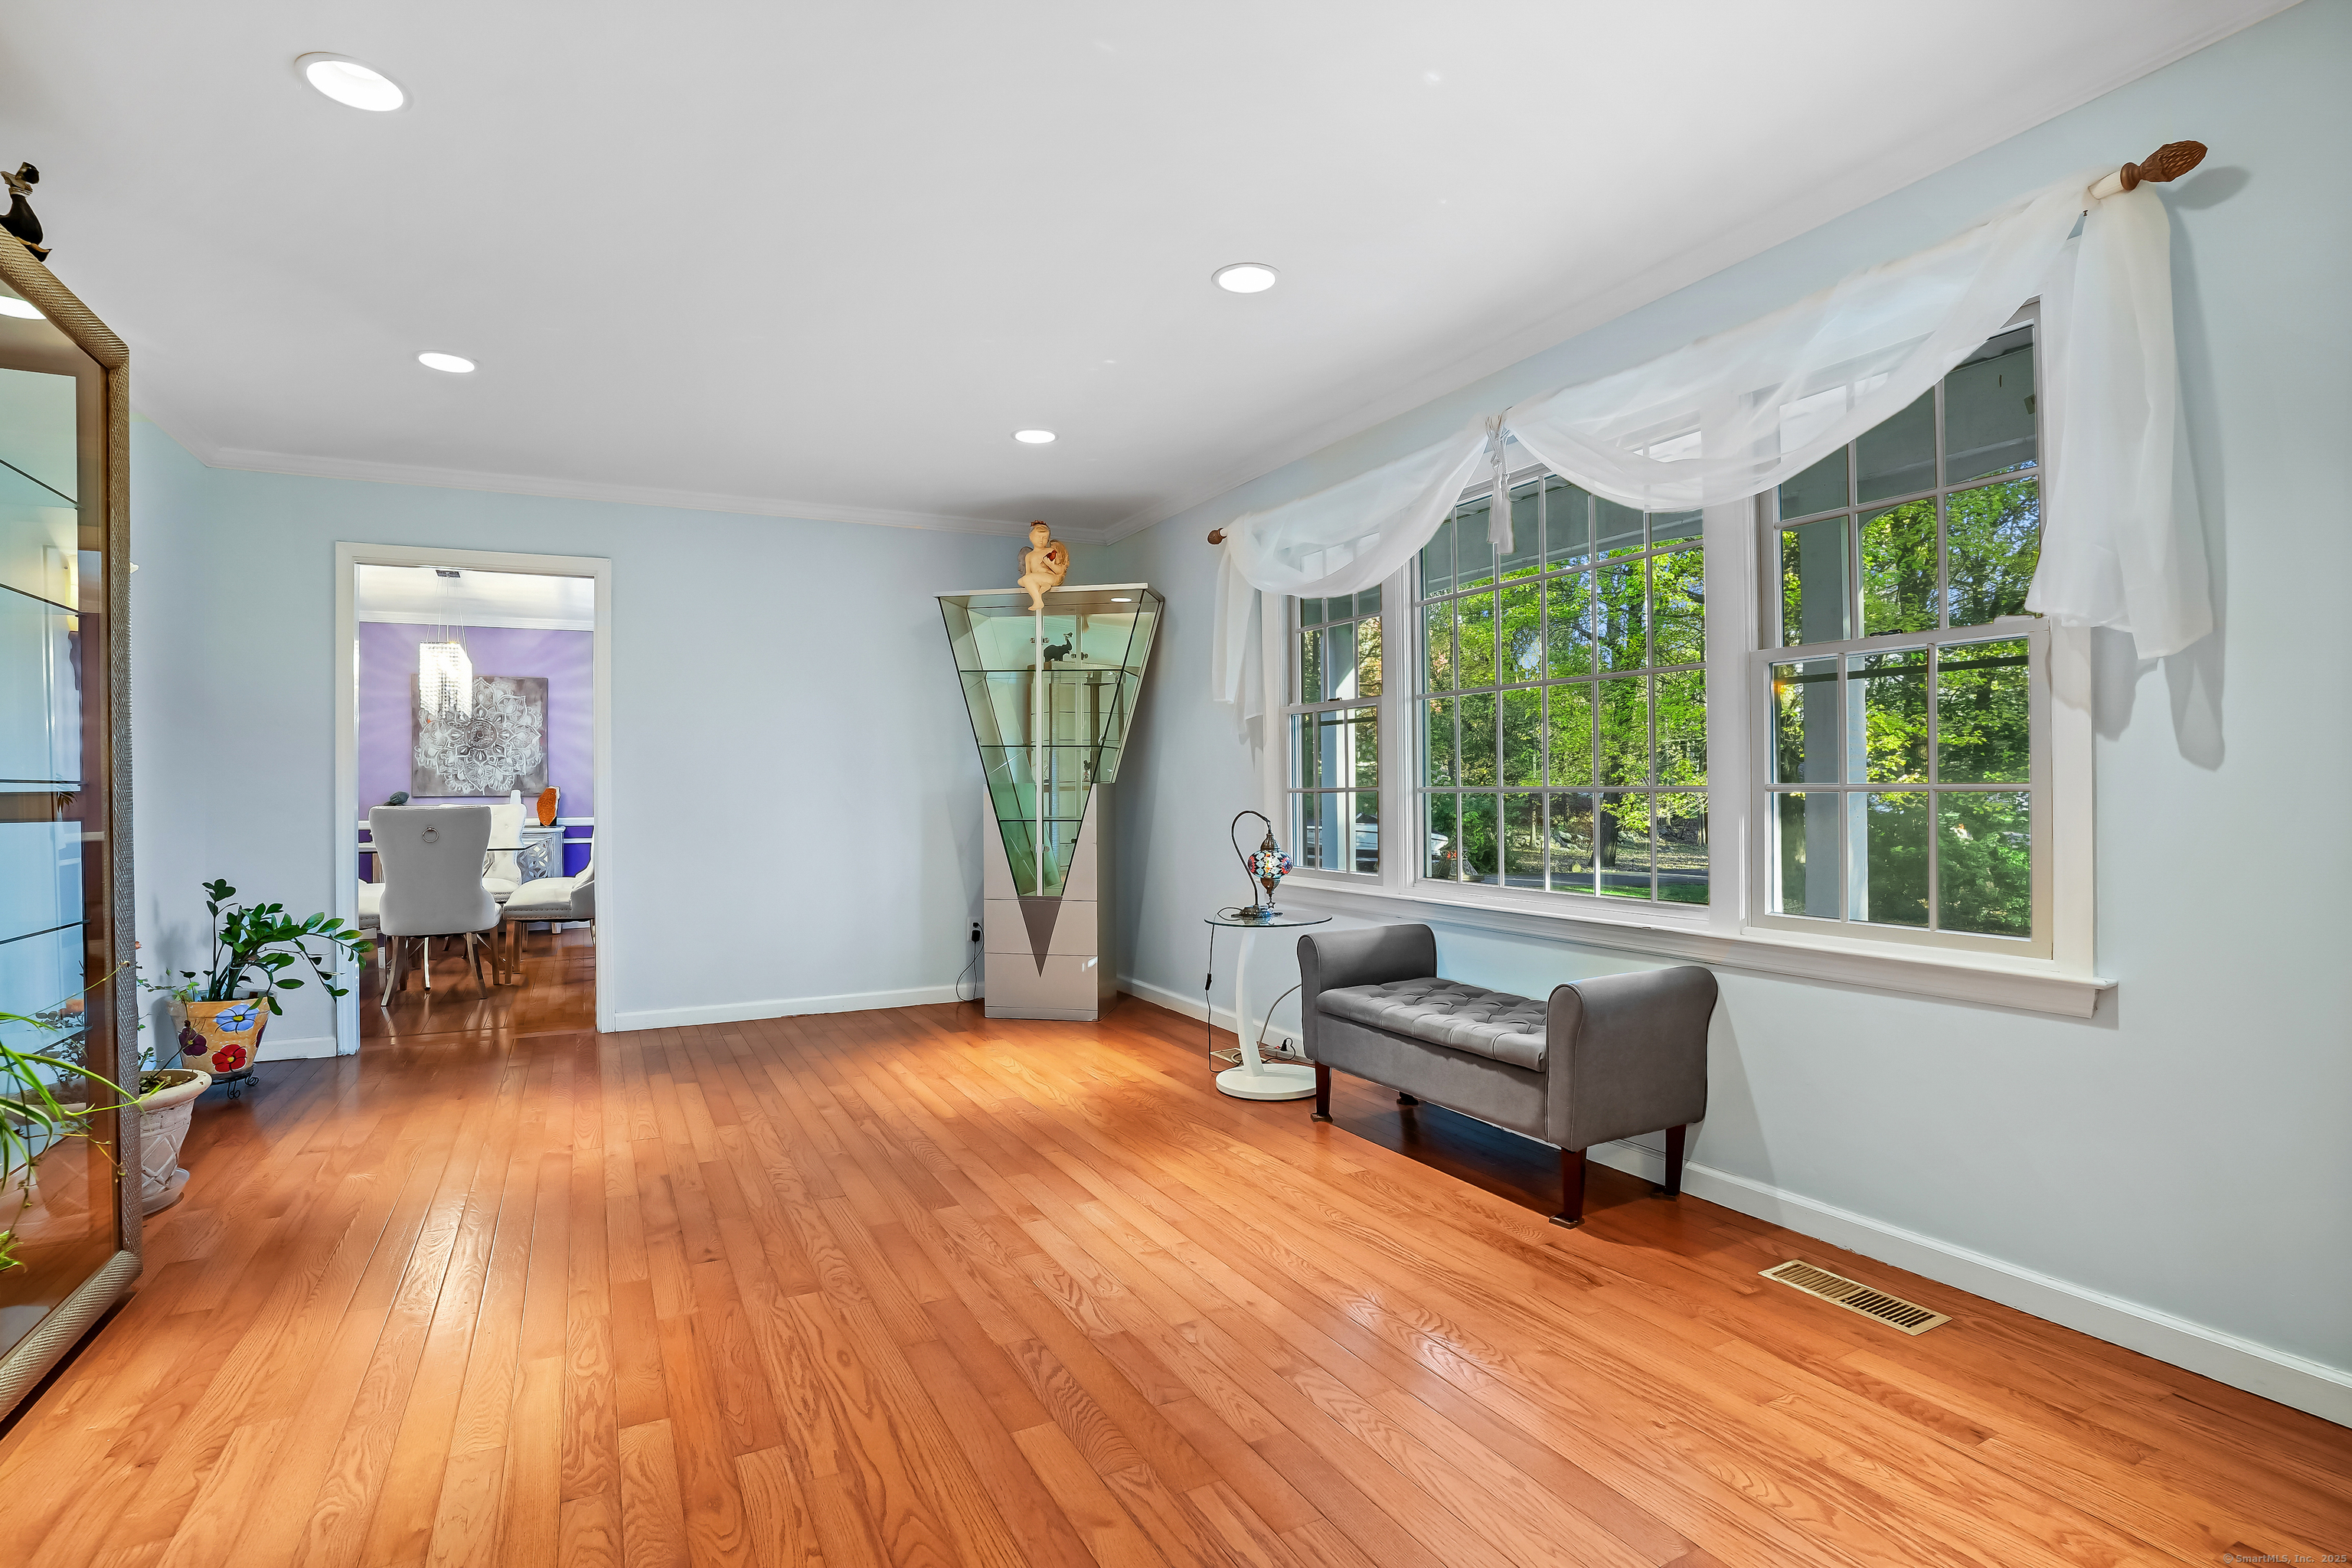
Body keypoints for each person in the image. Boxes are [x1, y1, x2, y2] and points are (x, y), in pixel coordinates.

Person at [1017, 520, 1069, 613]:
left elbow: (1060, 570)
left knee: (1028, 579)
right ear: (1031, 537)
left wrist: (1051, 565)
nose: (1041, 540)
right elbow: (1028, 573)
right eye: (1038, 537)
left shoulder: (1050, 551)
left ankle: (1038, 602)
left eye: (1044, 538)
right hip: (1036, 578)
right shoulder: (1029, 556)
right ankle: (1043, 585)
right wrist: (1027, 580)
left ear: (1048, 539)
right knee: (1021, 581)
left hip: (1049, 576)